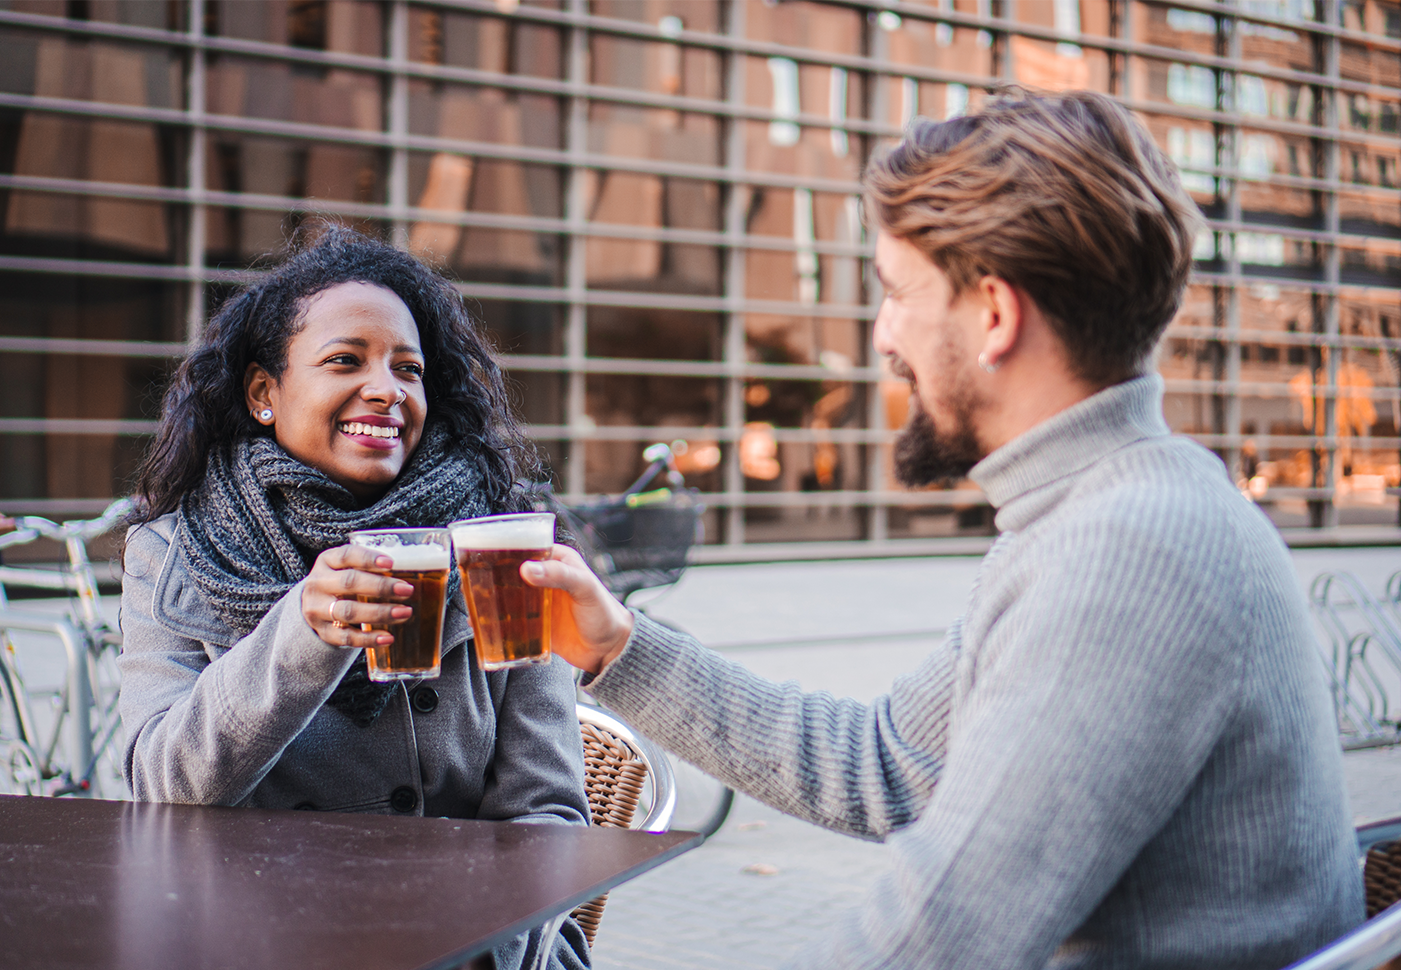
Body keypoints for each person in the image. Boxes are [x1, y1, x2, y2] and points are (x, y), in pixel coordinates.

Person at [523, 90, 1365, 968]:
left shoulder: (1129, 550)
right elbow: (886, 767)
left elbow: (937, 942)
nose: (884, 336)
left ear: (993, 314)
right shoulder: (1098, 514)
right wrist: (619, 649)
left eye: (895, 292)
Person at [118, 225, 590, 970]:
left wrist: (497, 949)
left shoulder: (502, 545)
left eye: (409, 369)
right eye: (346, 361)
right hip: (260, 941)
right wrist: (302, 632)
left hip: (478, 947)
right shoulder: (176, 553)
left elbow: (545, 811)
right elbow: (162, 790)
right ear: (264, 393)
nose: (387, 389)